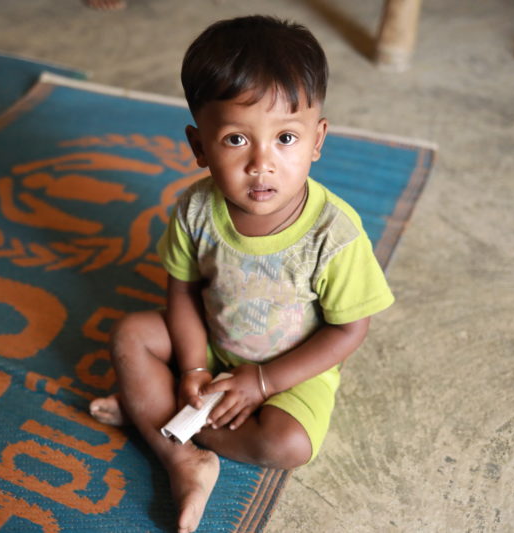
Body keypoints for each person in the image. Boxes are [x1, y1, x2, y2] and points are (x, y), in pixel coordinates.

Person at [90, 15, 394, 533]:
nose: (261, 163)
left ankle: (161, 423)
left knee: (288, 445)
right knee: (131, 334)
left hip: (290, 368)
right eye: (234, 140)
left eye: (286, 138)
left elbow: (350, 329)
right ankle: (182, 456)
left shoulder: (334, 235)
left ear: (318, 139)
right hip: (211, 345)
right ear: (199, 146)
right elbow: (182, 291)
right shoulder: (194, 210)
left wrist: (263, 381)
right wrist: (190, 369)